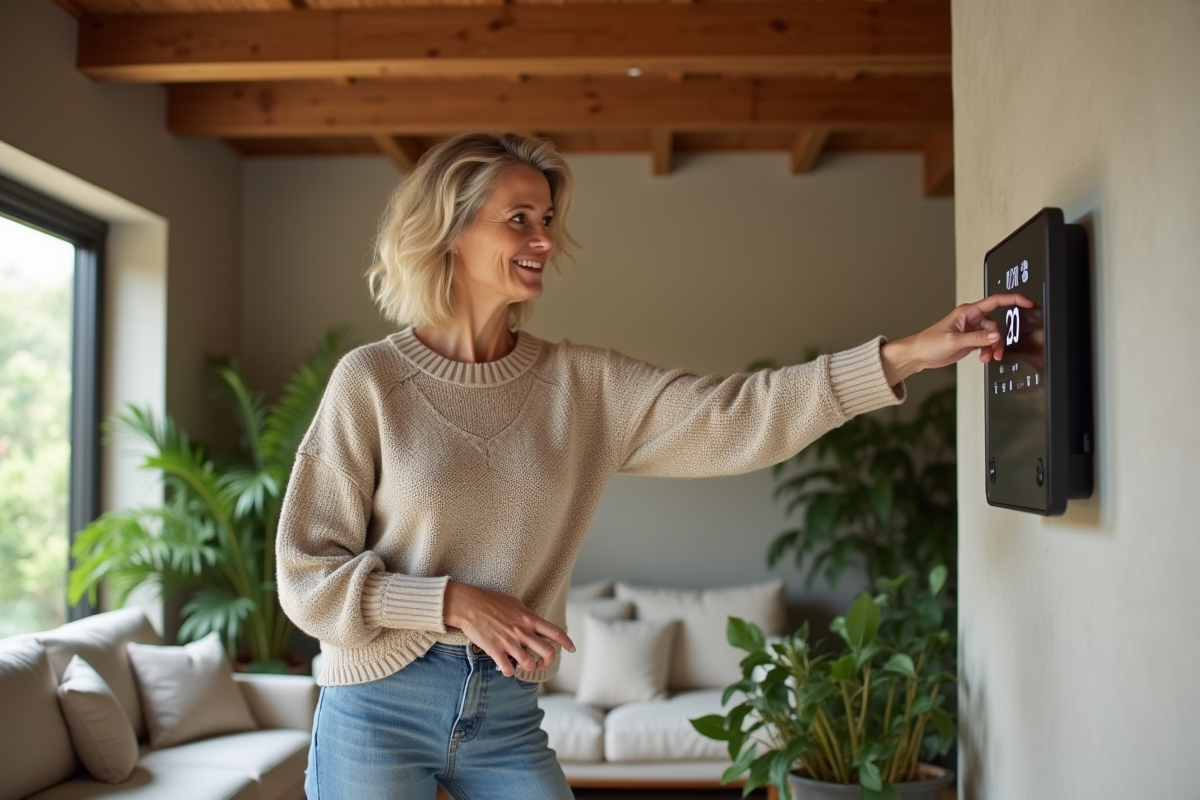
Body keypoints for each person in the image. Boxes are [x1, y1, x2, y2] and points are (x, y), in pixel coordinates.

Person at [276, 132, 1032, 800]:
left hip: (503, 713)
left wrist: (907, 354)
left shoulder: (583, 386)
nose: (543, 238)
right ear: (451, 232)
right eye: (518, 219)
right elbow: (305, 576)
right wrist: (453, 603)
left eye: (546, 220)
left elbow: (743, 413)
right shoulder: (371, 381)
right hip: (377, 704)